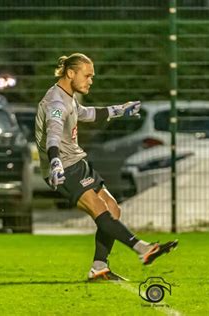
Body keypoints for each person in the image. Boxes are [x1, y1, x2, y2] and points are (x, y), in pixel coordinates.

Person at [35, 53, 178, 281]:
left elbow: (87, 114)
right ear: (71, 73)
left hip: (77, 162)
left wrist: (120, 110)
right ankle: (143, 248)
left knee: (112, 208)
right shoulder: (56, 102)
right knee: (99, 208)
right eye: (87, 75)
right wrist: (54, 162)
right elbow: (53, 135)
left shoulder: (67, 96)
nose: (90, 80)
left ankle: (99, 268)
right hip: (64, 168)